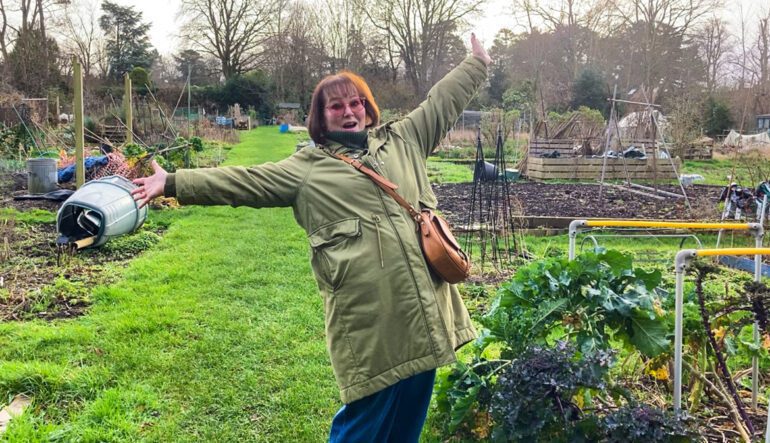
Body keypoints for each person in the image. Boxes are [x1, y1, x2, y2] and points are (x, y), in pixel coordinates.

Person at [131, 34, 492, 442]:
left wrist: (476, 63)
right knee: (363, 422)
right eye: (336, 106)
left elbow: (441, 101)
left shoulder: (404, 139)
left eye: (355, 102)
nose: (349, 112)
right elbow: (244, 181)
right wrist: (175, 181)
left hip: (425, 313)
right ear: (322, 118)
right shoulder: (308, 168)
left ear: (368, 108)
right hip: (371, 320)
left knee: (406, 423)